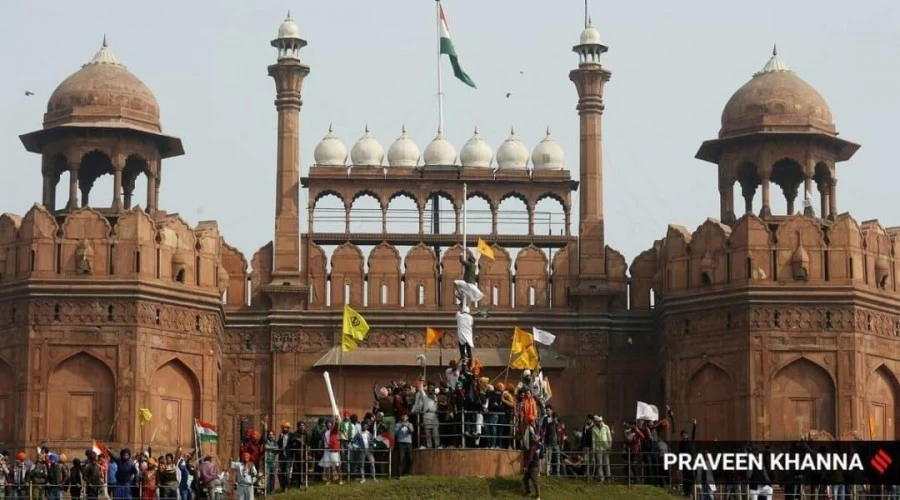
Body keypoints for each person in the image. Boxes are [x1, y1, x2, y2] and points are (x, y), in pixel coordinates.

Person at [411, 383, 440, 449]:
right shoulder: (425, 397)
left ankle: (437, 445)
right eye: (430, 388)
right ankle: (429, 446)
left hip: (434, 416)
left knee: (436, 433)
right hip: (426, 415)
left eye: (432, 388)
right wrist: (421, 382)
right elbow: (421, 390)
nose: (431, 389)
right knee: (427, 433)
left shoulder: (436, 397)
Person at [522, 421, 542, 500]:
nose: (532, 437)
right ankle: (528, 491)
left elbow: (530, 458)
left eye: (534, 437)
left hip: (533, 466)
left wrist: (526, 467)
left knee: (534, 480)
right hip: (533, 465)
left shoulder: (534, 447)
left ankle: (538, 495)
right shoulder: (537, 445)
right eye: (533, 437)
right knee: (525, 479)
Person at [317, 420, 341, 484]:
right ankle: (328, 480)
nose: (329, 425)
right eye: (327, 423)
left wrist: (336, 422)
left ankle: (340, 479)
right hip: (326, 450)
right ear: (326, 425)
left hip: (333, 450)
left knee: (337, 464)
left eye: (330, 423)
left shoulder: (333, 431)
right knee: (327, 465)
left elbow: (336, 428)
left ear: (331, 424)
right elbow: (322, 441)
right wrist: (320, 449)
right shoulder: (324, 432)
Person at [678, 419, 697, 496]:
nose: (684, 436)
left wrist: (694, 425)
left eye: (685, 434)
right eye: (683, 435)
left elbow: (693, 434)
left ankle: (690, 492)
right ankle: (686, 492)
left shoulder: (690, 442)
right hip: (684, 463)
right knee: (685, 478)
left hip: (691, 463)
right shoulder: (681, 444)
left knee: (691, 478)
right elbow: (679, 454)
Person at [592, 416, 612, 482]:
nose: (595, 422)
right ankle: (601, 477)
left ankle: (608, 477)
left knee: (606, 462)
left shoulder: (606, 427)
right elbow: (593, 440)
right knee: (599, 463)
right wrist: (594, 449)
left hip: (606, 447)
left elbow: (609, 436)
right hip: (598, 448)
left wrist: (610, 446)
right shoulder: (594, 429)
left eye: (596, 421)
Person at [275, 422, 293, 492]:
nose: (284, 429)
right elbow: (278, 444)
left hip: (288, 455)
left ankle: (286, 486)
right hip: (282, 455)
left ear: (288, 428)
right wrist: (280, 438)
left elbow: (293, 444)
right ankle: (282, 485)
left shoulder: (291, 435)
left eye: (286, 428)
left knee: (287, 470)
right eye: (283, 428)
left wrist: (286, 447)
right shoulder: (281, 435)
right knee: (282, 471)